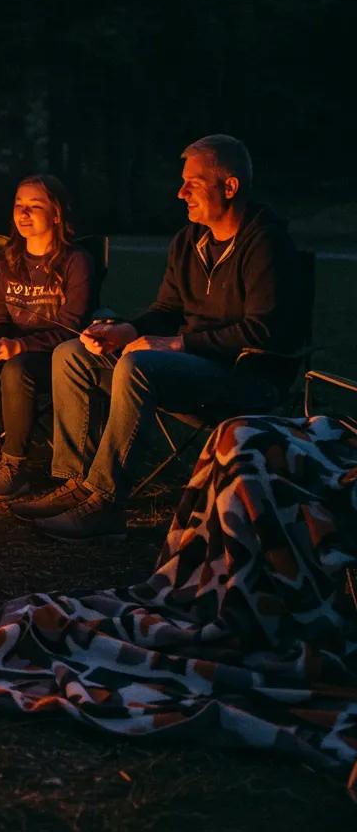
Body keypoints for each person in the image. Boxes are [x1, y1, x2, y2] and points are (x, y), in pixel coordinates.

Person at [16, 134, 300, 542]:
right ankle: (77, 483)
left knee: (140, 365)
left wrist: (178, 344)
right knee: (72, 353)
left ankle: (106, 504)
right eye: (182, 183)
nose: (181, 193)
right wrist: (126, 331)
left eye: (192, 183)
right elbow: (167, 310)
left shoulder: (267, 244)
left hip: (246, 377)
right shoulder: (189, 240)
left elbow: (263, 330)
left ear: (230, 186)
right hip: (189, 368)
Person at [0, 175, 95, 498]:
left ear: (56, 215)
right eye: (19, 204)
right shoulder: (2, 261)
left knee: (17, 371)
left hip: (56, 355)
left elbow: (71, 327)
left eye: (35, 206)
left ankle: (15, 466)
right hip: (11, 347)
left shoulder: (76, 261)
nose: (23, 213)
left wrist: (20, 346)